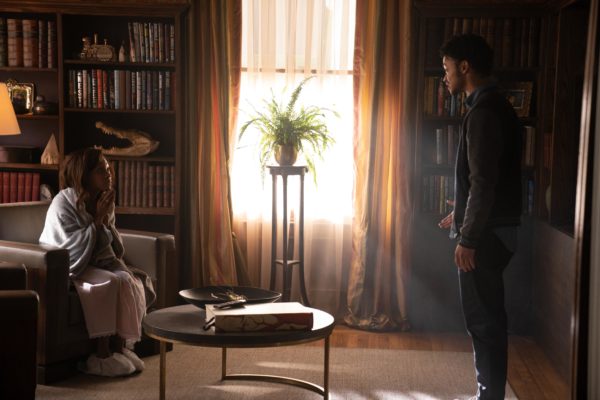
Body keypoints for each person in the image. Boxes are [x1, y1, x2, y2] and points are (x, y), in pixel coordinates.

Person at [437, 34, 522, 400]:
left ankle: (489, 397)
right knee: (488, 321)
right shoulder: (495, 106)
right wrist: (459, 212)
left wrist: (468, 238)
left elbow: (484, 183)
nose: (445, 77)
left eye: (446, 68)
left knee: (483, 323)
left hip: (485, 237)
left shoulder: (484, 112)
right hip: (495, 230)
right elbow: (490, 180)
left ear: (464, 67)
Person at [40, 147, 156, 377]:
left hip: (95, 261)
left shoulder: (102, 199)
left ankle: (119, 347)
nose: (109, 174)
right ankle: (100, 354)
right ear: (85, 175)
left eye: (108, 169)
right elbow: (68, 244)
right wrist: (98, 220)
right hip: (67, 264)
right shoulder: (63, 202)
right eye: (101, 171)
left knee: (126, 278)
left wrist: (103, 220)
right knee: (109, 282)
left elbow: (108, 241)